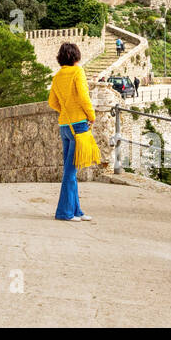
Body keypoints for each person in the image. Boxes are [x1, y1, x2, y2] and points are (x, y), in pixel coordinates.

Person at [47, 41, 96, 221]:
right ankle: (64, 213)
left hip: (64, 126)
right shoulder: (78, 71)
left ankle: (76, 211)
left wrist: (65, 110)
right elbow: (84, 96)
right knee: (70, 172)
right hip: (78, 125)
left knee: (71, 170)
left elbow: (52, 102)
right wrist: (91, 115)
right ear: (76, 55)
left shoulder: (58, 76)